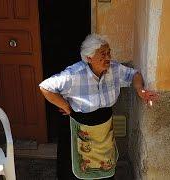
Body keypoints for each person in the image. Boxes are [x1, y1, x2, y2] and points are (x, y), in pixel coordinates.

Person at [39, 34, 158, 179]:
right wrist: (65, 106)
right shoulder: (74, 74)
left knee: (105, 166)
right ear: (89, 58)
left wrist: (140, 90)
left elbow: (134, 74)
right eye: (103, 54)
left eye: (108, 53)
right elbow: (45, 87)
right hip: (80, 126)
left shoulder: (114, 68)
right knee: (78, 168)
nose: (108, 57)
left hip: (104, 128)